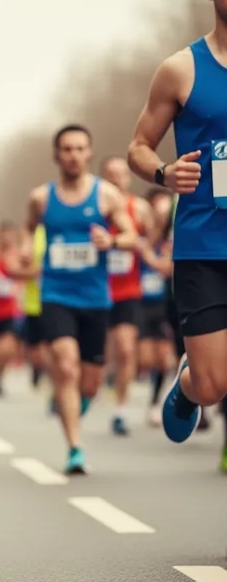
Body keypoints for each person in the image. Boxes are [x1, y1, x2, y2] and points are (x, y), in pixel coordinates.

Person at [126, 0, 227, 445]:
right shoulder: (181, 69)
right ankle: (189, 385)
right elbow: (138, 147)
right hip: (203, 245)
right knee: (213, 386)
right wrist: (165, 173)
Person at [24, 125, 136, 474]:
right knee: (66, 365)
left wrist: (113, 241)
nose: (73, 155)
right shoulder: (42, 198)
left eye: (80, 149)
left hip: (95, 298)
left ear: (89, 153)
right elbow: (29, 229)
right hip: (56, 294)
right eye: (67, 149)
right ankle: (75, 447)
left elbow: (132, 236)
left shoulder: (107, 196)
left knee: (89, 379)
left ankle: (79, 402)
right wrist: (28, 249)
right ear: (57, 155)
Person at [100, 156, 155, 436]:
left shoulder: (140, 209)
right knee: (103, 353)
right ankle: (101, 382)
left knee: (125, 347)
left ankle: (121, 410)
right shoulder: (94, 207)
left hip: (129, 290)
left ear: (128, 178)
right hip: (96, 290)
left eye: (120, 174)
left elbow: (153, 240)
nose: (116, 179)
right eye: (110, 174)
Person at [0, 224, 34, 397]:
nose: (8, 239)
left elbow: (22, 274)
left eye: (11, 236)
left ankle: (0, 378)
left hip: (9, 309)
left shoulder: (16, 257)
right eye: (5, 236)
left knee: (7, 348)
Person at [138, 189, 175, 427]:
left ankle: (155, 402)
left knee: (163, 357)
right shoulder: (139, 237)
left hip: (164, 303)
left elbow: (167, 268)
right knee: (145, 358)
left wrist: (148, 255)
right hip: (141, 303)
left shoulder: (172, 240)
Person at [21, 224, 47, 388]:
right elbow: (15, 267)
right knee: (36, 350)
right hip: (33, 303)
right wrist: (35, 272)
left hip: (59, 301)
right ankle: (37, 369)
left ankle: (57, 387)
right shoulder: (33, 232)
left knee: (56, 348)